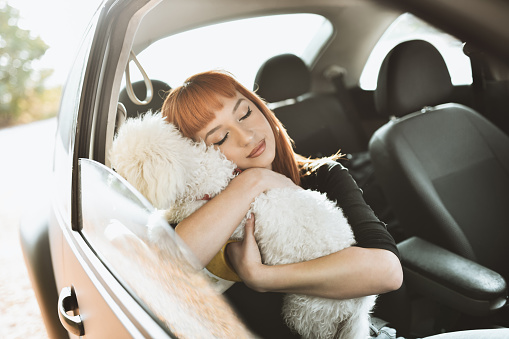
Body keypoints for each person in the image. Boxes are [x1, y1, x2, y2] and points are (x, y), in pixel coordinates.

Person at [161, 70, 403, 338]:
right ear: (198, 155)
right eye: (220, 138)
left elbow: (388, 271)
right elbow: (172, 262)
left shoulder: (323, 177)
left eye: (245, 114)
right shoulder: (198, 213)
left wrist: (262, 278)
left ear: (260, 107)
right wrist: (253, 181)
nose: (246, 136)